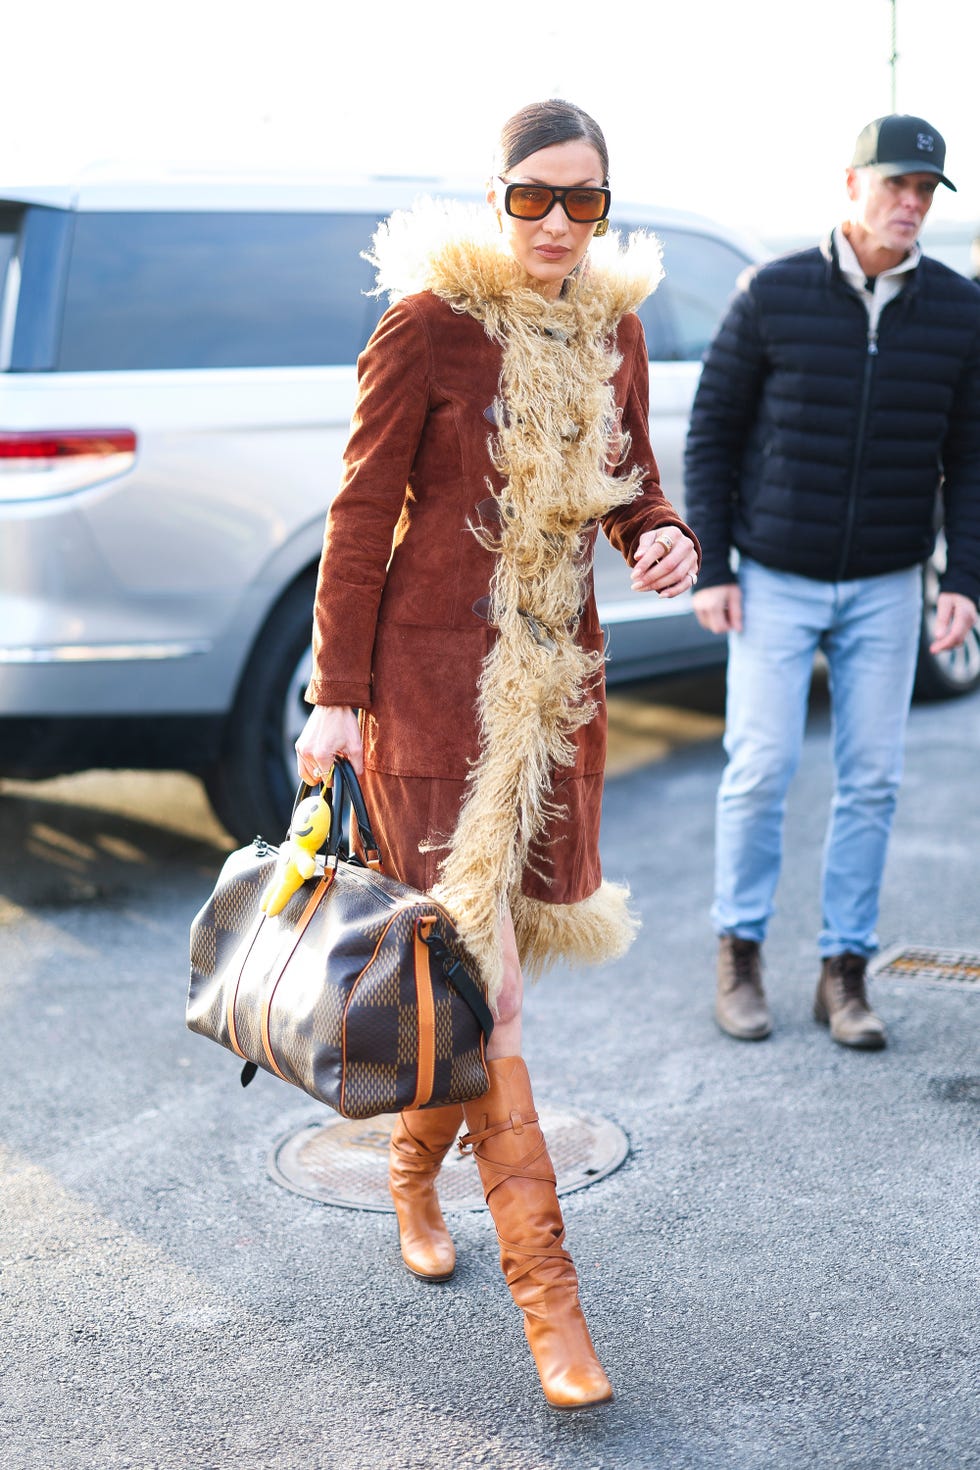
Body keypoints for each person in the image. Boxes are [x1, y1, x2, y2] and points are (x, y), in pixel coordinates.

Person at [294, 99, 699, 1409]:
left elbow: (629, 483)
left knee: (474, 983)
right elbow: (358, 519)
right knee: (495, 990)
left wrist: (659, 534)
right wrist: (335, 696)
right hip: (426, 689)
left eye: (585, 200)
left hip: (550, 693)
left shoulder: (615, 327)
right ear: (495, 198)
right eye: (536, 198)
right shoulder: (427, 324)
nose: (560, 225)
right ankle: (552, 1314)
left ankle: (413, 1172)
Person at [685, 113, 980, 1051]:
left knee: (873, 782)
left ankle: (843, 974)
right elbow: (712, 433)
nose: (912, 203)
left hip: (891, 583)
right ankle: (739, 956)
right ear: (850, 184)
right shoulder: (773, 293)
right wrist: (717, 566)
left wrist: (963, 578)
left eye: (927, 190)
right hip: (775, 577)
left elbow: (972, 458)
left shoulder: (961, 308)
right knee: (761, 768)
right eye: (897, 184)